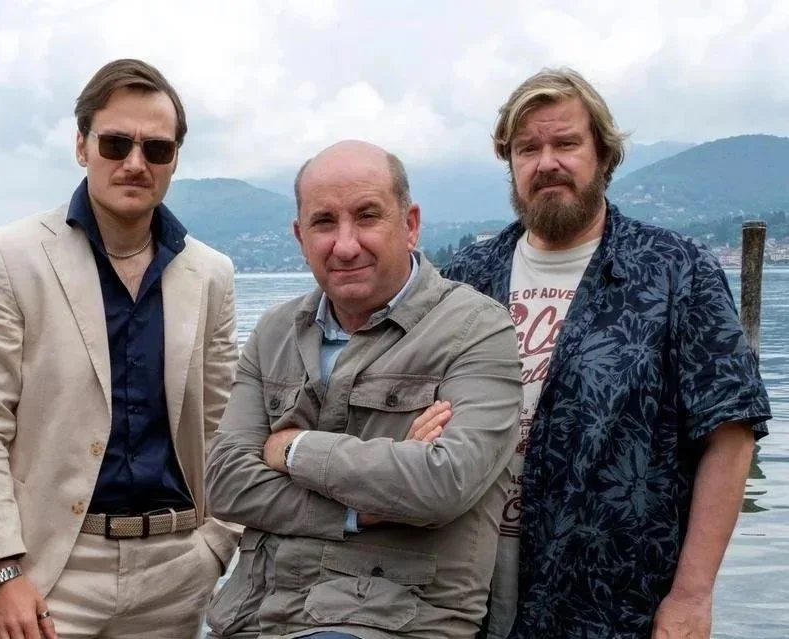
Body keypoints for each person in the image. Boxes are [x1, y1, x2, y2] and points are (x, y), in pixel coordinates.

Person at [442, 67, 772, 639]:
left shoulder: (675, 271)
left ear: (604, 155)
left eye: (566, 143)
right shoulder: (466, 278)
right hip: (466, 590)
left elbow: (730, 433)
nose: (546, 162)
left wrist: (692, 595)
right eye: (527, 149)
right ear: (510, 163)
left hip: (616, 601)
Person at [0, 58, 241, 639]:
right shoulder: (10, 257)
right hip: (48, 572)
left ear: (175, 159)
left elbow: (225, 426)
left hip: (175, 570)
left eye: (156, 149)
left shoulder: (210, 273)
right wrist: (0, 570)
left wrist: (217, 544)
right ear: (81, 145)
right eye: (115, 143)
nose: (135, 163)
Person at [204, 139, 522, 639]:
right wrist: (359, 510)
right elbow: (225, 482)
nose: (346, 244)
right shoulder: (275, 332)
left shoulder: (476, 330)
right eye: (324, 222)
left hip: (391, 618)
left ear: (410, 224)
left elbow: (443, 483)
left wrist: (292, 449)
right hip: (254, 614)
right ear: (300, 236)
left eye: (367, 216)